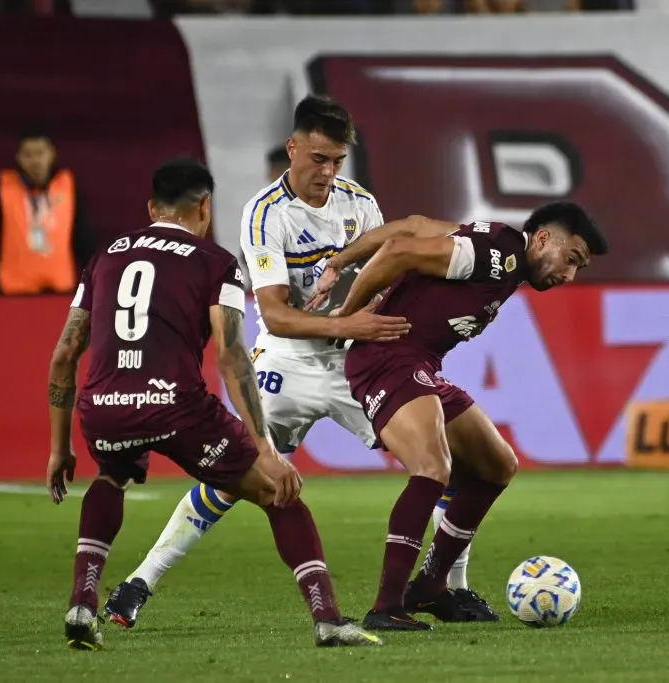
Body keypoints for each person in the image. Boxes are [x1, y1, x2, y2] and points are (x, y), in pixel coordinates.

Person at [101, 95, 491, 628]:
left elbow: (384, 275)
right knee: (231, 477)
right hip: (287, 365)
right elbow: (277, 316)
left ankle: (449, 586)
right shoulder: (265, 214)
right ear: (293, 148)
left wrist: (378, 318)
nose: (327, 172)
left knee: (447, 462)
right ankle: (139, 582)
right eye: (318, 159)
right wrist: (347, 324)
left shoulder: (360, 205)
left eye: (337, 161)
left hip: (358, 366)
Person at [47, 157, 380, 650]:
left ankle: (82, 603)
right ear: (205, 206)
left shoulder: (105, 257)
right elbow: (231, 356)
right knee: (278, 491)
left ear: (151, 207)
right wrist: (265, 446)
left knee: (110, 477)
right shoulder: (214, 261)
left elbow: (63, 356)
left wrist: (59, 448)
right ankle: (327, 618)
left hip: (105, 405)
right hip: (177, 406)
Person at [309, 201, 608, 630]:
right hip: (387, 358)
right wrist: (347, 319)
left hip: (419, 366)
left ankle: (431, 585)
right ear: (542, 238)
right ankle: (387, 606)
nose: (569, 275)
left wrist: (339, 261)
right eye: (571, 259)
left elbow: (414, 223)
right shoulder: (497, 255)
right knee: (432, 469)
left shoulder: (498, 246)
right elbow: (397, 250)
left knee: (496, 465)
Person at [0, 127, 95, 295]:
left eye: (40, 153)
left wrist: (96, 278)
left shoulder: (67, 186)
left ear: (51, 154)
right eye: (28, 155)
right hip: (12, 293)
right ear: (18, 158)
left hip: (59, 292)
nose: (35, 161)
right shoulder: (4, 188)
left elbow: (83, 239)